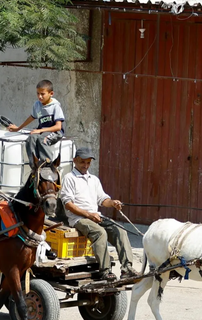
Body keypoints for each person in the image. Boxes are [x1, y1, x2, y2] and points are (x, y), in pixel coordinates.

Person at [60, 147, 138, 280]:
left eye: (88, 163)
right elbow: (68, 204)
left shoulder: (93, 179)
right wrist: (89, 215)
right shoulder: (69, 178)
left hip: (95, 216)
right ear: (74, 161)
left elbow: (102, 199)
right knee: (100, 233)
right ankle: (105, 271)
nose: (85, 166)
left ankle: (127, 268)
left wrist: (113, 202)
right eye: (82, 162)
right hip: (78, 219)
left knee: (121, 231)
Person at [8, 80, 65, 167]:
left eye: (42, 94)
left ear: (51, 93)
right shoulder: (37, 105)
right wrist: (18, 128)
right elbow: (31, 117)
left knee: (43, 139)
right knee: (31, 138)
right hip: (42, 131)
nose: (40, 96)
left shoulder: (55, 106)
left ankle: (47, 165)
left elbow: (58, 127)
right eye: (38, 93)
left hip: (55, 132)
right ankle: (34, 166)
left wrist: (41, 130)